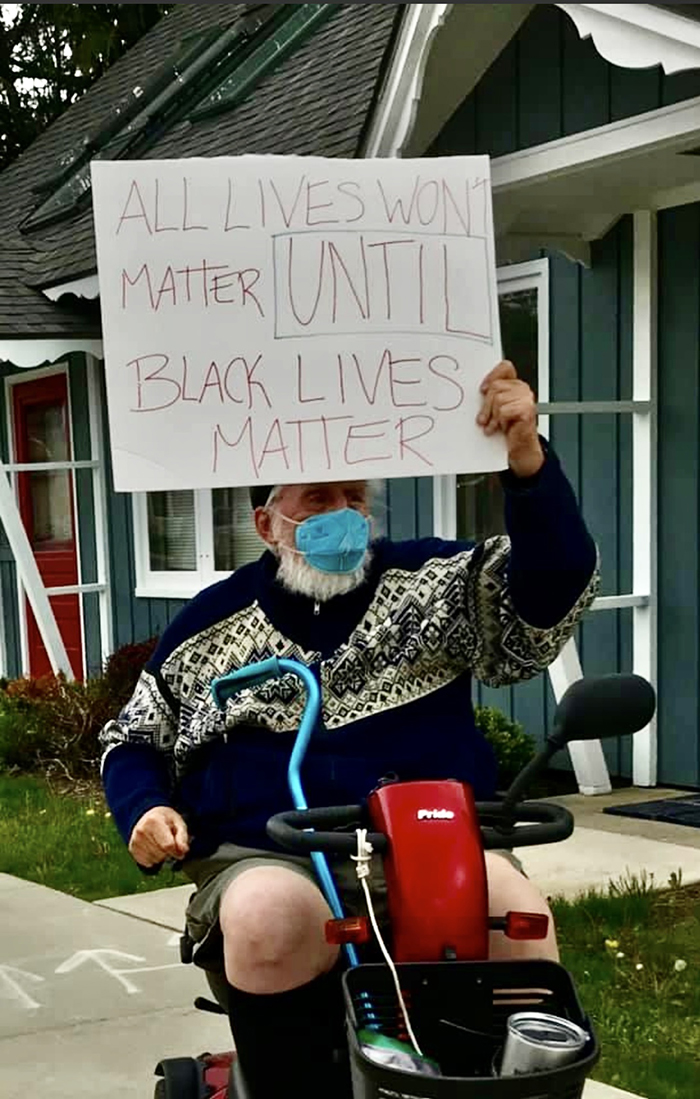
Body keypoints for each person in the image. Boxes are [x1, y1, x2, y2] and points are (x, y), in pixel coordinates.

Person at [100, 361, 598, 1098]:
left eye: (355, 495)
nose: (343, 511)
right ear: (267, 523)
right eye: (319, 498)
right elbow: (134, 735)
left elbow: (550, 589)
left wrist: (527, 460)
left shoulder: (434, 583)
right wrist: (146, 808)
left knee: (514, 910)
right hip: (274, 853)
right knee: (271, 914)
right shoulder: (208, 624)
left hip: (432, 843)